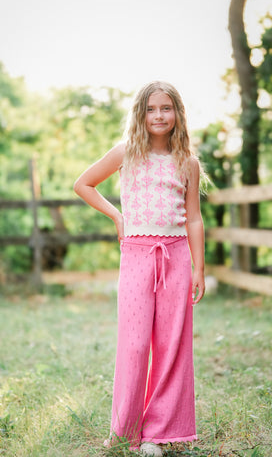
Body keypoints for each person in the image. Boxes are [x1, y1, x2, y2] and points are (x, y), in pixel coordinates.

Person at [73, 81, 205, 456]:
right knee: (133, 344)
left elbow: (193, 219)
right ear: (140, 114)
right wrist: (117, 215)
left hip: (176, 256)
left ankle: (158, 434)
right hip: (136, 254)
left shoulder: (188, 163)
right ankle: (125, 431)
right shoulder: (125, 153)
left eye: (166, 108)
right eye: (151, 109)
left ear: (177, 113)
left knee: (171, 344)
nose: (159, 116)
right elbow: (83, 184)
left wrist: (199, 268)